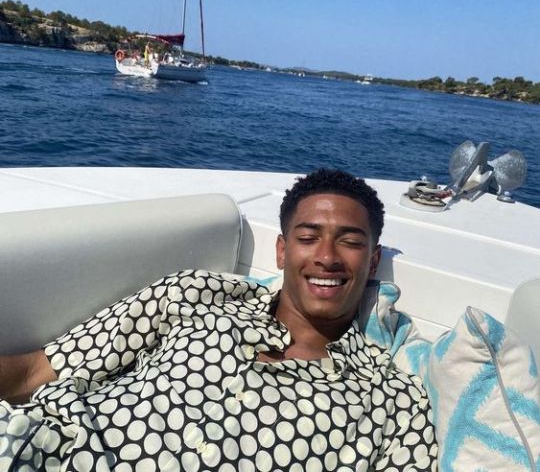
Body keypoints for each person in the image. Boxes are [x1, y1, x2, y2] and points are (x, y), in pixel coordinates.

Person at [0, 169, 437, 471]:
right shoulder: (196, 294)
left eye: (350, 242)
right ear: (282, 251)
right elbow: (35, 371)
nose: (326, 257)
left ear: (373, 260)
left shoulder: (394, 402)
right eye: (308, 238)